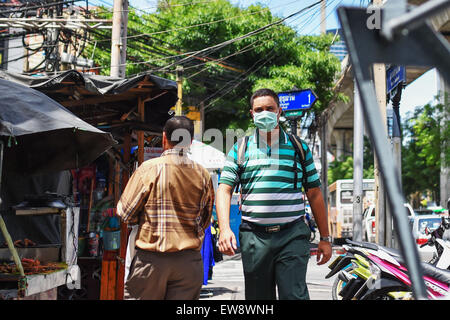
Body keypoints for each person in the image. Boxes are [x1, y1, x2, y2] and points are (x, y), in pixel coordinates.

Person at [216, 88, 332, 300]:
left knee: (294, 296)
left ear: (279, 111)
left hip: (292, 235)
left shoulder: (299, 148)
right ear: (252, 114)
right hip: (254, 237)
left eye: (270, 108)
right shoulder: (240, 148)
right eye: (259, 109)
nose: (265, 113)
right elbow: (224, 189)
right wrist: (224, 229)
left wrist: (325, 238)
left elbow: (314, 193)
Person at [116, 116, 215, 300]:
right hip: (189, 263)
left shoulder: (148, 169)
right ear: (190, 142)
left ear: (164, 138)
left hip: (151, 262)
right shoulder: (203, 174)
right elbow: (205, 219)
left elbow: (125, 213)